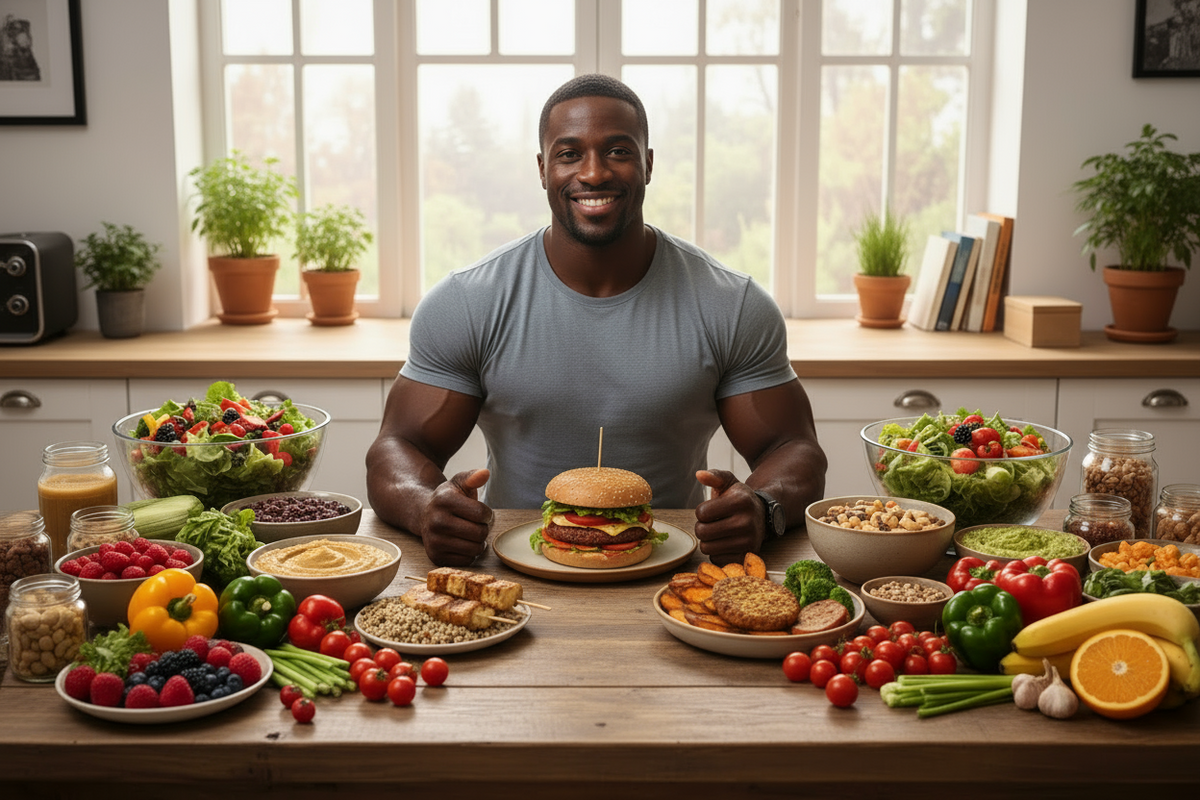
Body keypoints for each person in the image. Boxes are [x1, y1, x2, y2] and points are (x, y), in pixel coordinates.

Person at [367, 73, 826, 567]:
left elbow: (793, 449)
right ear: (542, 169)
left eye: (618, 151)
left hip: (681, 575)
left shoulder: (733, 304)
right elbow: (397, 447)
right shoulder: (466, 302)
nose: (593, 173)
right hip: (508, 577)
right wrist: (424, 507)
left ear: (648, 164)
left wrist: (763, 505)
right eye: (569, 154)